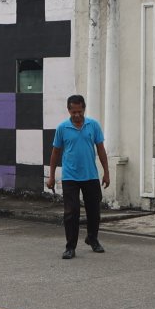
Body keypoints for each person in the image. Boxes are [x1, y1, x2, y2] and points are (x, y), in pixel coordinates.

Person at [47, 94, 110, 260]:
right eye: (73, 112)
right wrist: (51, 176)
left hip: (90, 175)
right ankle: (70, 247)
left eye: (79, 111)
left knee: (94, 211)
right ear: (68, 110)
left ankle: (92, 238)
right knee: (71, 212)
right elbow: (55, 153)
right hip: (70, 177)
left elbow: (101, 150)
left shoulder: (93, 125)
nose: (77, 115)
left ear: (84, 109)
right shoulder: (62, 128)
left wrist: (106, 173)